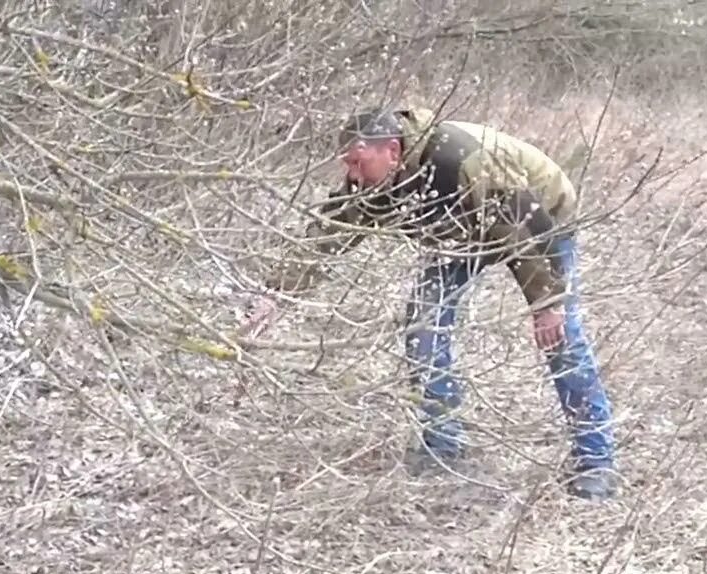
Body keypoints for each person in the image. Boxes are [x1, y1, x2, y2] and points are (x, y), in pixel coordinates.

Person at [255, 106, 619, 501]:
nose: (353, 175)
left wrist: (547, 302)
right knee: (423, 327)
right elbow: (330, 233)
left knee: (559, 337)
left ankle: (595, 460)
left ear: (392, 150)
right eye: (348, 165)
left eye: (358, 163)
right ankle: (443, 446)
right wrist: (277, 294)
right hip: (461, 232)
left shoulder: (465, 162)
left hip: (540, 217)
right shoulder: (374, 178)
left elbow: (528, 230)